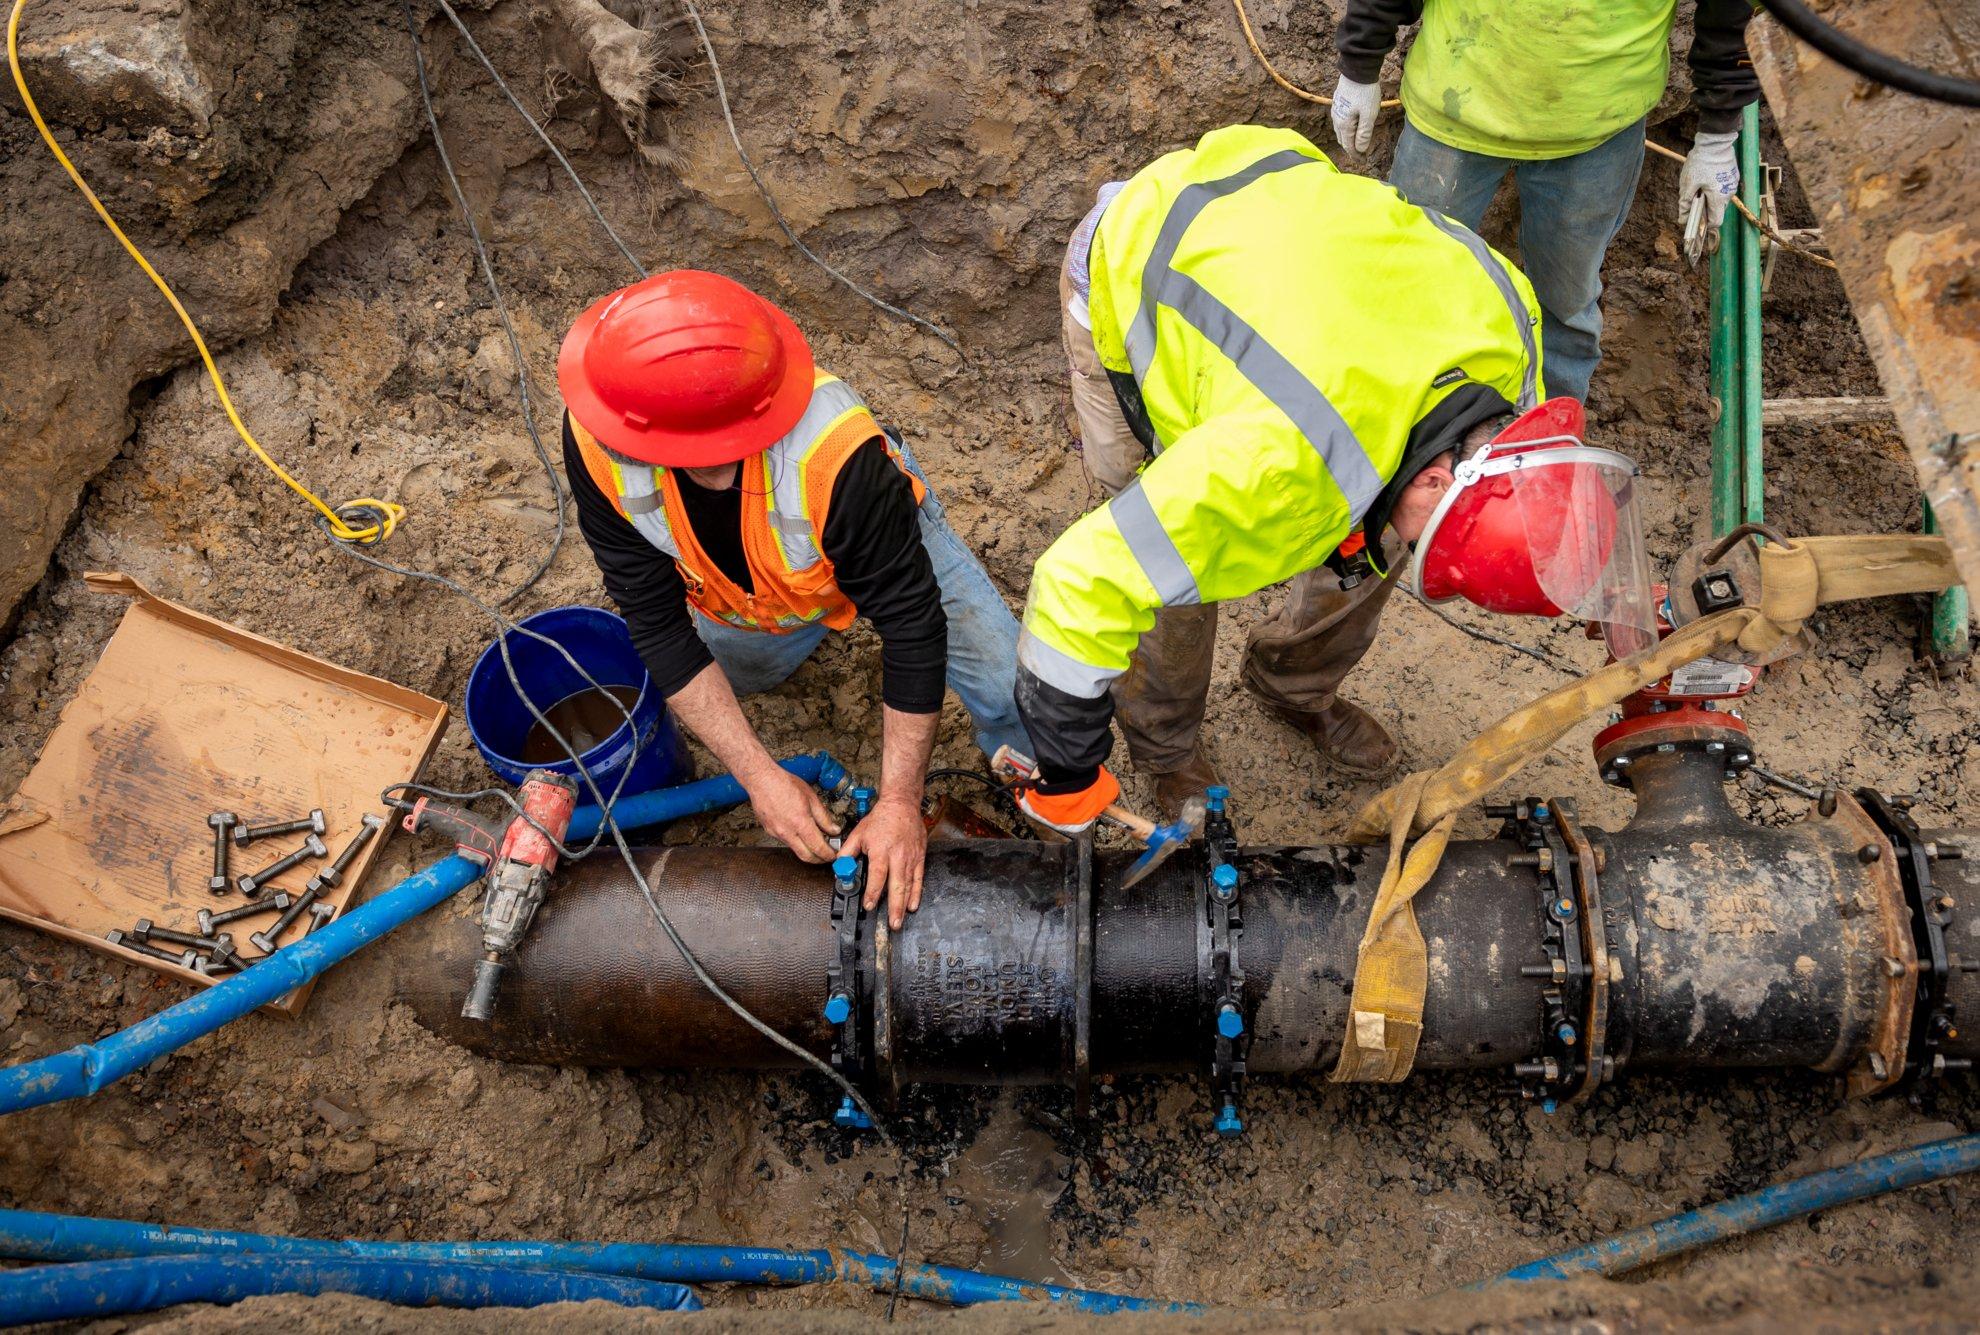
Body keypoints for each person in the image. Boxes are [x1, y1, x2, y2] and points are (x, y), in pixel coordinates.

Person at [1018, 124, 1651, 831]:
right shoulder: (1270, 466)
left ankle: (1294, 684)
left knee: (1376, 545)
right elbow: (1081, 581)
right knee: (1165, 561)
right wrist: (1067, 774)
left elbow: (1498, 503)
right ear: (1437, 483)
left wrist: (1585, 575)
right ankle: (1165, 746)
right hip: (1136, 260)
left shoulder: (1508, 324)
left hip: (1281, 223)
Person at [559, 269, 1029, 926]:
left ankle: (1025, 779)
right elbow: (658, 625)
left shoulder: (840, 458)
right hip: (756, 593)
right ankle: (794, 637)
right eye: (693, 451)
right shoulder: (599, 435)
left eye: (729, 445)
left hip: (875, 540)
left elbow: (913, 625)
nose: (715, 466)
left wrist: (898, 802)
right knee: (739, 674)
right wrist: (757, 774)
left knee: (1011, 685)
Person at [1328, 0, 1760, 403]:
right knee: (1411, 288)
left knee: (1565, 305)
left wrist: (1718, 135)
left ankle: (1550, 437)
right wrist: (1360, 65)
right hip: (1454, 109)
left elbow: (1730, 9)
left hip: (1596, 133)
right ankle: (1410, 429)